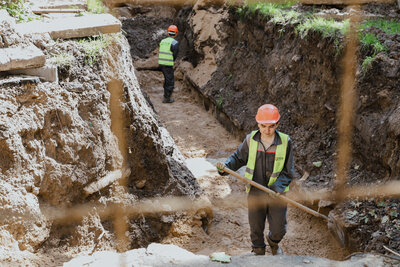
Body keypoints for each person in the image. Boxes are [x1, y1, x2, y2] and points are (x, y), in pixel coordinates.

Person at [216, 104, 294, 256]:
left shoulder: (285, 142)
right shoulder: (251, 140)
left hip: (276, 194)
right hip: (255, 191)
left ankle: (273, 241)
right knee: (256, 226)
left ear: (277, 124)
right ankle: (258, 250)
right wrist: (225, 167)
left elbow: (288, 171)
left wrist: (277, 187)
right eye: (263, 126)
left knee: (279, 229)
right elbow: (238, 158)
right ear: (258, 124)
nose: (267, 130)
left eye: (271, 126)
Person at [158, 25, 179, 103]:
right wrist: (172, 61)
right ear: (176, 33)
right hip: (167, 64)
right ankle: (167, 98)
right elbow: (175, 55)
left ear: (168, 33)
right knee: (170, 81)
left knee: (167, 80)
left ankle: (165, 95)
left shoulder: (162, 41)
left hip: (161, 63)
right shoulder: (175, 43)